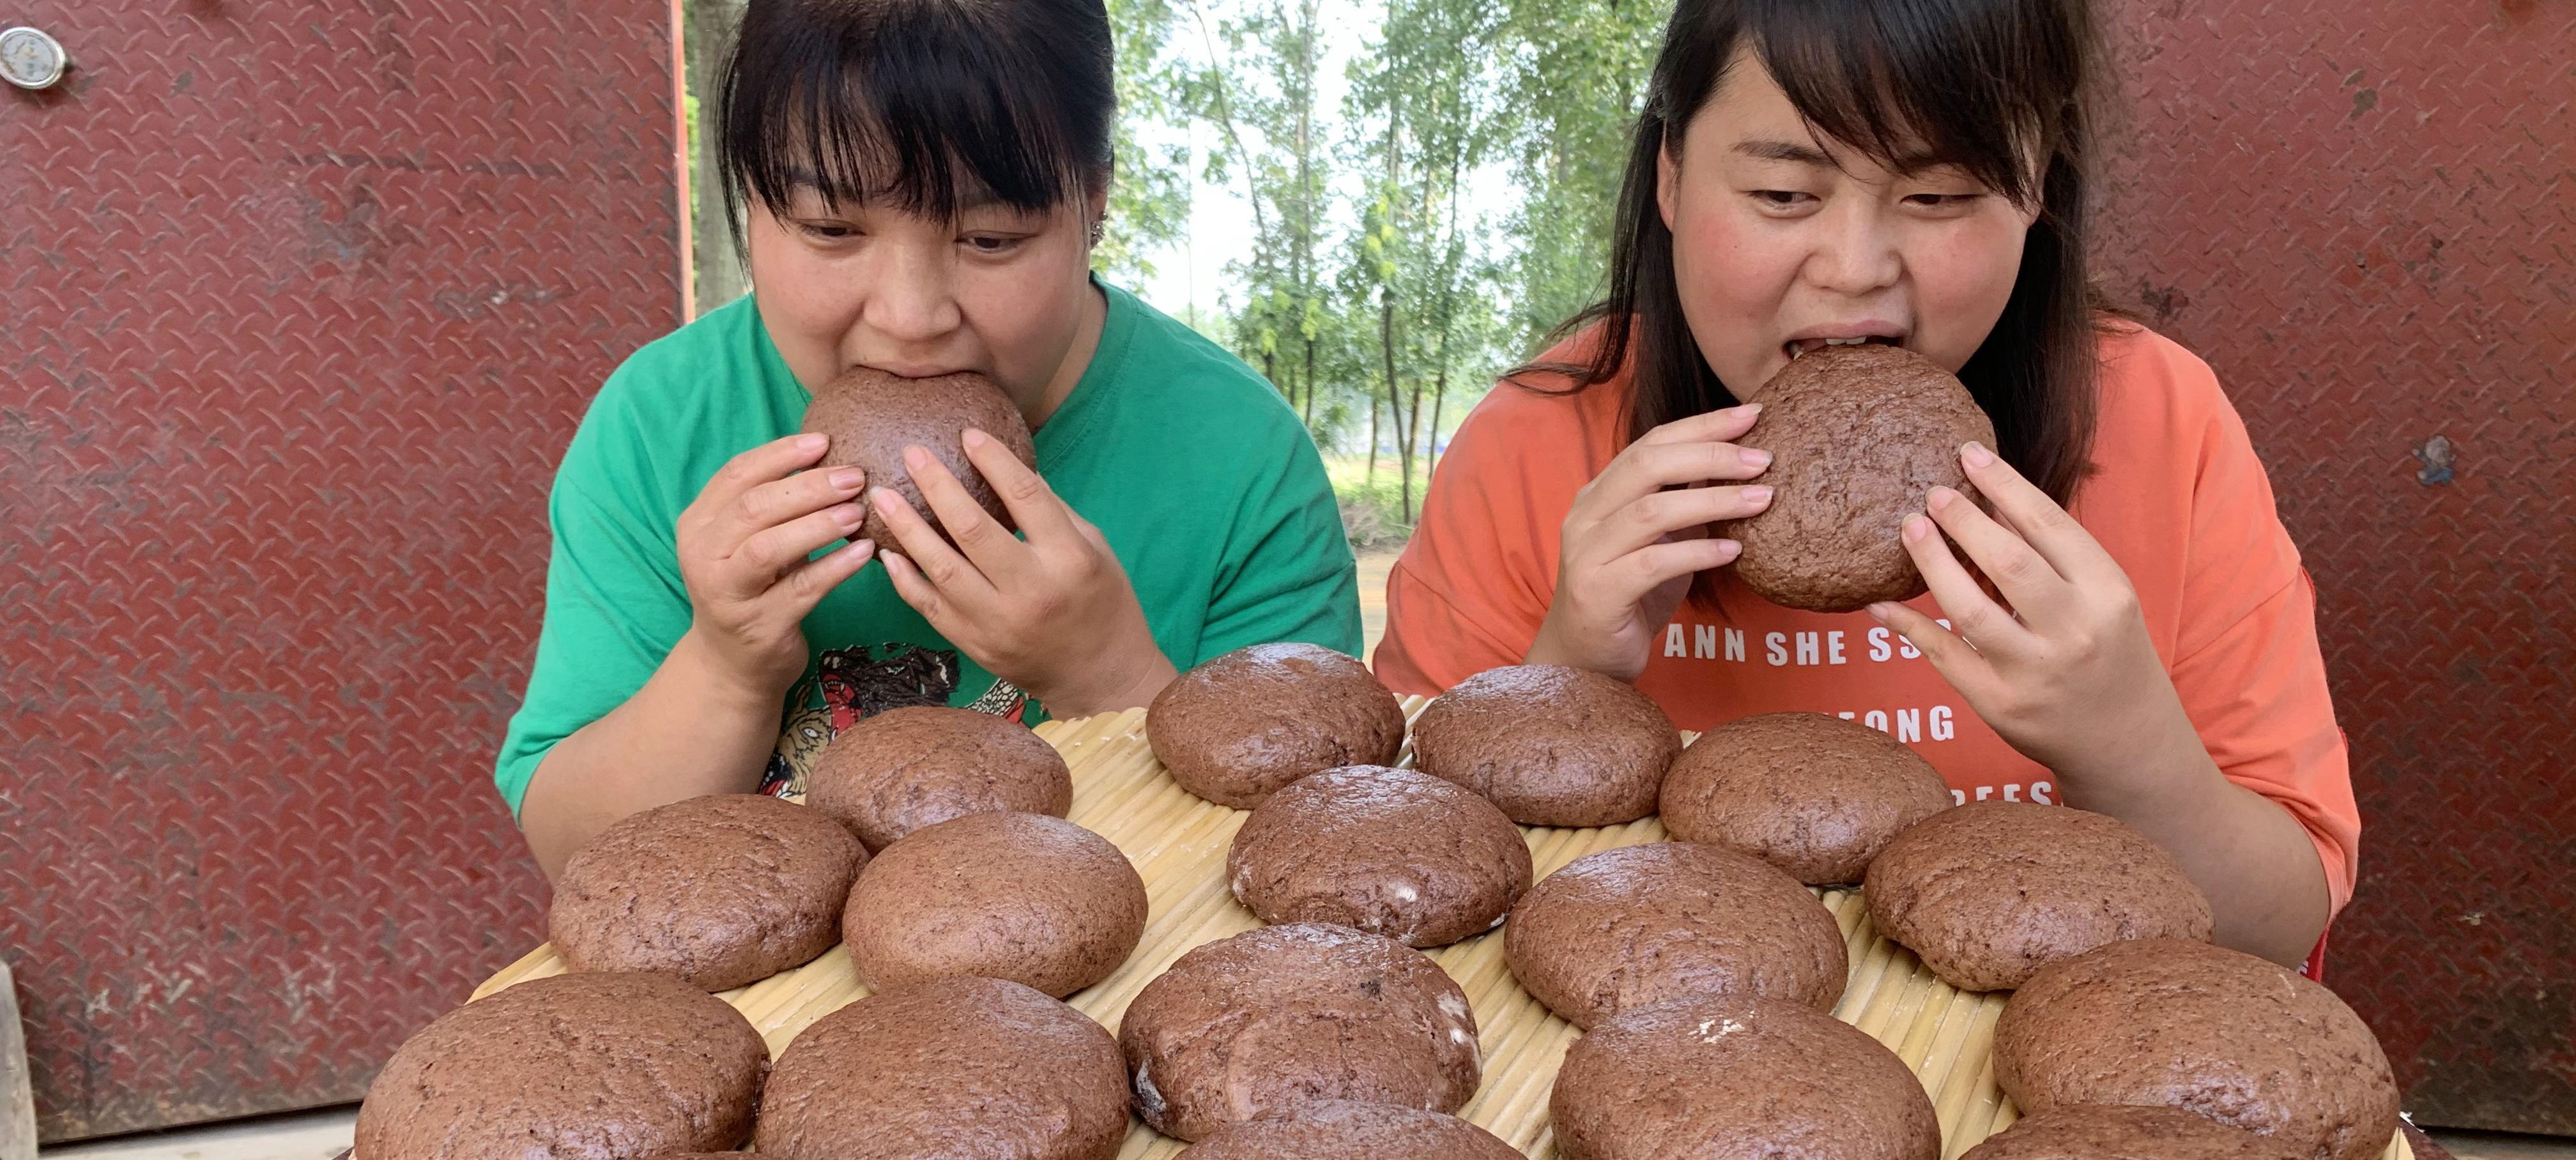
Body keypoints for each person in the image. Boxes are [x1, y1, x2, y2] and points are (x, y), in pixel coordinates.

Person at [1374, 0, 2355, 968]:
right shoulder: (1535, 442)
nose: (1854, 270)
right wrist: (1570, 676)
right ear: (1671, 176)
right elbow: (1401, 887)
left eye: (1938, 197)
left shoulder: (2158, 421)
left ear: (2037, 188)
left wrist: (2127, 745)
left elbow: (2277, 929)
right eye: (1783, 196)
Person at [499, 0, 1361, 878]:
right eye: (832, 229)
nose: (910, 318)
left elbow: (1319, 863)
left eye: (991, 238)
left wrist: (1110, 680)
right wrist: (727, 667)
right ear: (749, 202)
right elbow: (578, 854)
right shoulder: (662, 426)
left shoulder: (1237, 456)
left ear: (1093, 203)